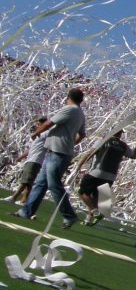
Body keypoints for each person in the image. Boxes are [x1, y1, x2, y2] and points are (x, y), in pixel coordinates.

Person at [14, 88, 87, 228]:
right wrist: (71, 143)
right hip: (59, 151)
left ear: (68, 97)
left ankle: (69, 216)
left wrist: (35, 133)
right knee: (41, 183)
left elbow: (49, 123)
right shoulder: (80, 114)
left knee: (54, 184)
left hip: (58, 152)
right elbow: (82, 134)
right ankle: (26, 211)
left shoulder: (69, 109)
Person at [77, 129, 136, 225]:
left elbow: (90, 153)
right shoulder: (123, 146)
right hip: (110, 176)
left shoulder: (104, 140)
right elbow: (133, 156)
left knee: (83, 192)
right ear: (120, 134)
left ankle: (95, 212)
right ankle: (87, 220)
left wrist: (80, 165)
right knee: (95, 197)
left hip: (97, 172)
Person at [3, 116, 48, 205]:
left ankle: (14, 197)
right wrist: (21, 157)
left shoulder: (46, 134)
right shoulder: (38, 135)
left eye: (39, 124)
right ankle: (24, 200)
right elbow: (30, 149)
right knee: (28, 181)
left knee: (26, 180)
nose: (37, 126)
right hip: (31, 159)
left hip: (36, 160)